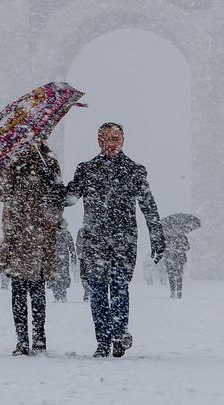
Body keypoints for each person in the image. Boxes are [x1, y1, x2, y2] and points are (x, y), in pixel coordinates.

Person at [65, 122, 164, 358]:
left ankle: (118, 335)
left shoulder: (134, 171)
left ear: (123, 141)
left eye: (116, 138)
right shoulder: (86, 170)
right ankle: (103, 340)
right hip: (95, 241)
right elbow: (69, 198)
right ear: (99, 141)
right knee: (98, 291)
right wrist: (53, 185)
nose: (112, 143)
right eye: (107, 138)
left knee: (119, 288)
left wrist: (157, 235)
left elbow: (148, 206)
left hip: (123, 241)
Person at [0, 141, 64, 356]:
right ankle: (22, 340)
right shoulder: (7, 159)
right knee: (18, 290)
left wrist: (49, 179)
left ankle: (39, 337)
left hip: (41, 232)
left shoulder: (48, 158)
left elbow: (59, 193)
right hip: (17, 232)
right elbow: (0, 193)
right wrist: (12, 170)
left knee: (37, 289)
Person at [49, 220, 78, 302]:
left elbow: (71, 246)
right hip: (54, 259)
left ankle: (62, 294)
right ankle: (56, 295)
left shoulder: (66, 233)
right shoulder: (52, 233)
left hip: (63, 259)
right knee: (54, 277)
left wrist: (73, 258)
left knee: (63, 277)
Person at [163, 222, 191, 299]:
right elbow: (163, 247)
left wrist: (180, 249)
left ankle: (178, 292)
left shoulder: (182, 237)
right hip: (170, 258)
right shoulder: (167, 237)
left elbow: (188, 247)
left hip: (179, 259)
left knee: (178, 276)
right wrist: (168, 249)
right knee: (171, 276)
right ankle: (172, 291)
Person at [76, 226, 93, 302]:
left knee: (90, 276)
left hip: (92, 258)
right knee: (83, 276)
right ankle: (87, 291)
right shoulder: (81, 231)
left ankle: (90, 291)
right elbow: (78, 243)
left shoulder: (95, 229)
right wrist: (80, 254)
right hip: (84, 258)